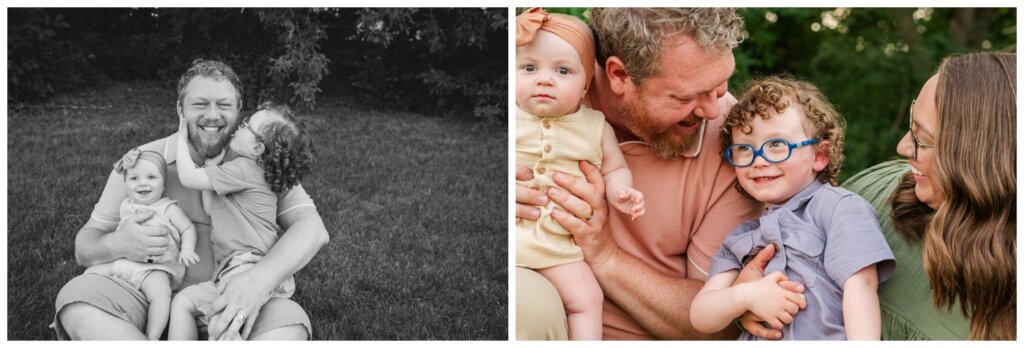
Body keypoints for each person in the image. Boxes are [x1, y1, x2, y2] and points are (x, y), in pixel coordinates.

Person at [515, 8, 793, 340]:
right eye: (685, 96)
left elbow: (721, 328)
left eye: (719, 84)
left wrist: (605, 255)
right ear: (619, 75)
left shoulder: (741, 144)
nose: (712, 109)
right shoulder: (540, 81)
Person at [54, 59, 329, 340]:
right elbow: (84, 246)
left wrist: (258, 282)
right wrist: (117, 243)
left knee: (288, 330)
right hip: (144, 294)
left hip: (235, 295)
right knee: (77, 306)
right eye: (200, 104)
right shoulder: (140, 163)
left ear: (238, 111)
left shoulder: (261, 164)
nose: (213, 115)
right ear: (180, 110)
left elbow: (313, 230)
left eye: (224, 105)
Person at [690, 76, 895, 340]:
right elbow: (701, 316)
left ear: (820, 155)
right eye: (744, 148)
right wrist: (744, 296)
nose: (759, 160)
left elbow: (862, 288)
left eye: (777, 145)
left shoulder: (838, 209)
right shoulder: (741, 236)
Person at [838, 52, 1016, 340]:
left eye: (924, 140)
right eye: (913, 127)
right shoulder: (870, 197)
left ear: (980, 164)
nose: (903, 147)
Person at [515, 8, 646, 340]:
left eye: (563, 70)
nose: (544, 79)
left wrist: (621, 192)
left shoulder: (594, 126)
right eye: (529, 68)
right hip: (512, 236)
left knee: (587, 299)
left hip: (556, 247)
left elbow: (615, 167)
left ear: (586, 84)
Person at [169, 102, 314, 340]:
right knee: (183, 302)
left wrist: (181, 138)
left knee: (223, 328)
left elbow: (187, 177)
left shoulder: (243, 169)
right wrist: (212, 166)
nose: (241, 124)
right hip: (245, 267)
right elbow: (210, 208)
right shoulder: (254, 174)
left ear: (256, 147)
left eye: (247, 125)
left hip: (243, 267)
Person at [82, 149, 200, 340]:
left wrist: (187, 249)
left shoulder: (167, 208)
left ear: (163, 185)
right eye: (134, 178)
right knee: (89, 274)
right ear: (126, 183)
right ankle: (72, 310)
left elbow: (187, 228)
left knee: (161, 296)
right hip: (125, 263)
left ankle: (152, 335)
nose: (142, 183)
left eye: (151, 177)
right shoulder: (125, 206)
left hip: (156, 269)